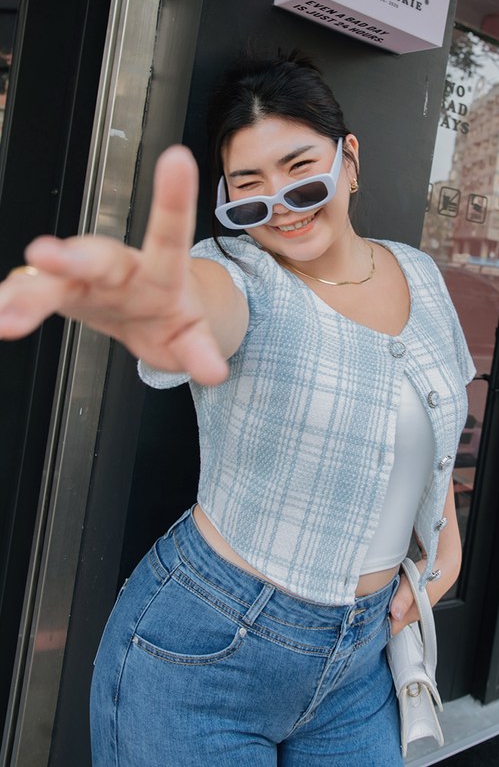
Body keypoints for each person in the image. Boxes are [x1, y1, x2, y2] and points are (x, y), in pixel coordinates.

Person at [0, 52, 474, 765]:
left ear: (349, 159)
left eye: (300, 170)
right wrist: (164, 305)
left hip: (361, 667)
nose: (280, 205)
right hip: (206, 651)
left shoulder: (422, 275)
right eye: (249, 190)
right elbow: (202, 305)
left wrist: (446, 552)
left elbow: (435, 436)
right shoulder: (239, 271)